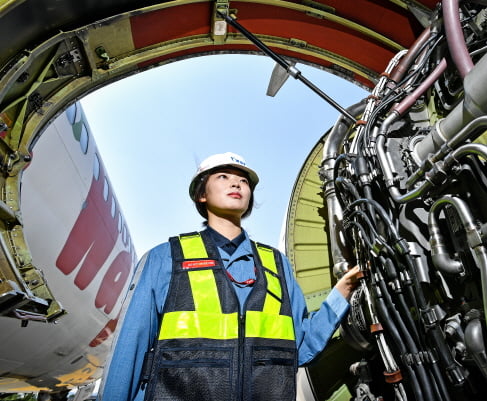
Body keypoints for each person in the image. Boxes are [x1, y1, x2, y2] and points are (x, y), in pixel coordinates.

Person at [100, 152, 360, 401]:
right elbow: (129, 352)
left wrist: (343, 291)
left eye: (243, 180)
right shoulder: (165, 258)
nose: (236, 182)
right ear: (201, 194)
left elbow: (301, 347)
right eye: (223, 176)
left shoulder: (276, 265)